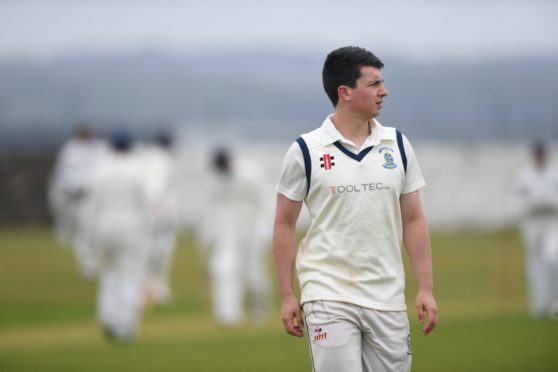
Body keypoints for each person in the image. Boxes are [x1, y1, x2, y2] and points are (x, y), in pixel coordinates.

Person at [273, 46, 437, 372]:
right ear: (345, 92)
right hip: (327, 293)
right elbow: (284, 223)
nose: (384, 91)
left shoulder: (398, 145)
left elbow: (414, 219)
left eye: (383, 83)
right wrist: (288, 294)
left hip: (387, 295)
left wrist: (426, 288)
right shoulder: (305, 150)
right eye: (374, 84)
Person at [80, 131, 153, 341]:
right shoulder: (136, 172)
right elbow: (145, 206)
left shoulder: (100, 172)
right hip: (132, 229)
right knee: (130, 275)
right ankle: (126, 325)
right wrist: (150, 230)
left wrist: (89, 237)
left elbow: (90, 208)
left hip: (104, 229)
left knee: (110, 275)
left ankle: (107, 317)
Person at [199, 148, 272, 326]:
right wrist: (207, 234)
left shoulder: (250, 172)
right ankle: (228, 313)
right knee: (224, 268)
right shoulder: (218, 178)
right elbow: (212, 207)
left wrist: (265, 228)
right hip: (228, 232)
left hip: (252, 229)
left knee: (255, 272)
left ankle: (260, 308)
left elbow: (266, 200)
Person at [48, 124, 108, 279]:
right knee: (82, 233)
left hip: (96, 198)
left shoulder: (100, 148)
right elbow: (67, 175)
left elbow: (105, 171)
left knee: (96, 233)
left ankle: (93, 263)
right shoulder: (70, 150)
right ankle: (88, 266)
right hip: (78, 199)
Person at [510, 142, 558, 318]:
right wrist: (523, 209)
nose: (540, 158)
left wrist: (549, 202)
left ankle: (553, 303)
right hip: (531, 224)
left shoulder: (555, 173)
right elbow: (515, 202)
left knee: (552, 259)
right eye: (537, 154)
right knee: (534, 265)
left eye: (542, 154)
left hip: (552, 223)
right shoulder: (524, 175)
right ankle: (538, 307)